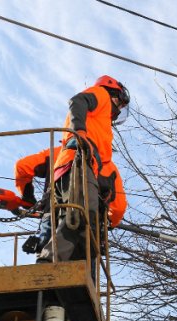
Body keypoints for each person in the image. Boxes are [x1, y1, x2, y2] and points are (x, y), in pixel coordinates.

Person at [14, 75, 129, 264]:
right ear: (113, 92)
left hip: (53, 213)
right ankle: (51, 262)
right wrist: (80, 133)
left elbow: (22, 167)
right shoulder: (101, 95)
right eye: (120, 103)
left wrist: (28, 198)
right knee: (83, 217)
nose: (118, 109)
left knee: (75, 220)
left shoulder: (57, 154)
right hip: (77, 171)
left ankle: (47, 263)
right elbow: (118, 209)